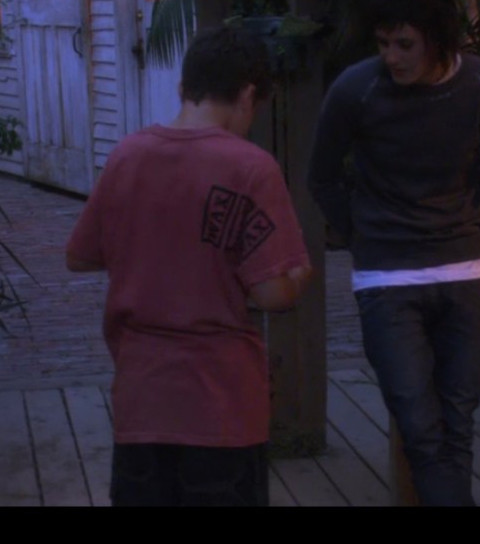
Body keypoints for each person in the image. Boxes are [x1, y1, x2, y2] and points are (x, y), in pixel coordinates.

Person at [307, 0, 480, 506]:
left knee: (457, 423)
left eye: (404, 43)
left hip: (465, 272)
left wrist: (479, 236)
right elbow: (322, 177)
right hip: (387, 277)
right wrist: (365, 235)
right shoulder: (357, 90)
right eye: (383, 43)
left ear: (436, 36)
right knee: (420, 425)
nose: (392, 56)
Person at [65, 26, 312, 506]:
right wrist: (299, 276)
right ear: (247, 96)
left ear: (184, 88)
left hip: (141, 399)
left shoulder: (127, 157)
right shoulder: (250, 167)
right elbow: (271, 293)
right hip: (221, 406)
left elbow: (80, 256)